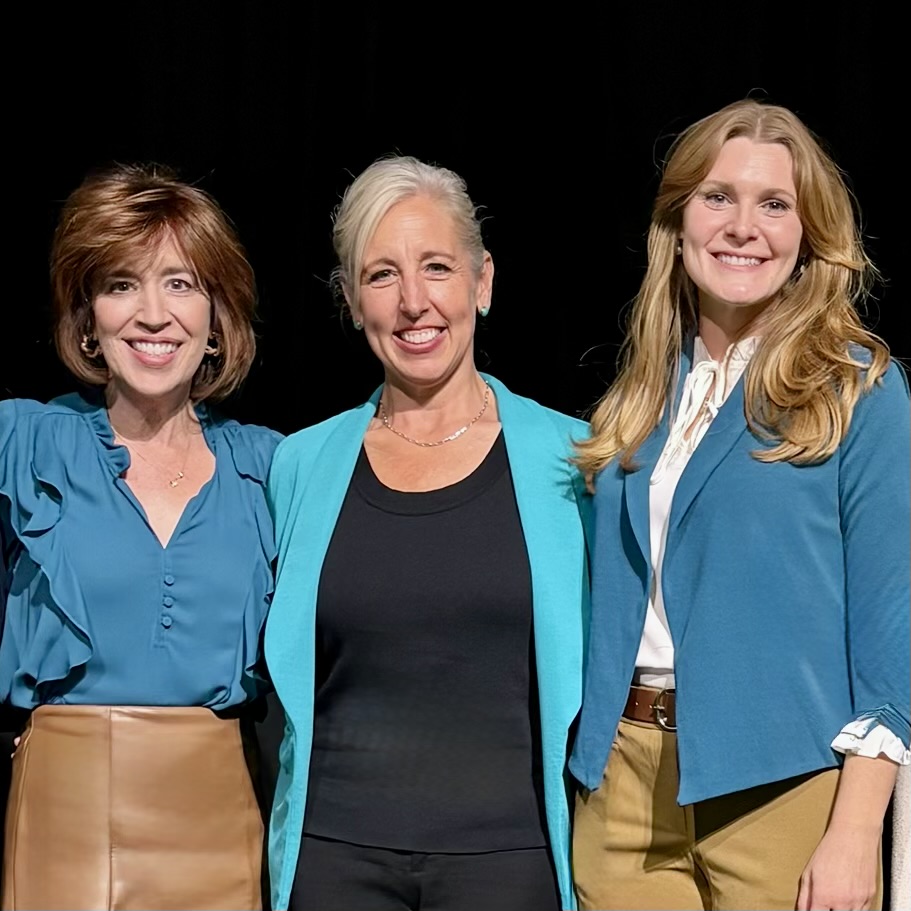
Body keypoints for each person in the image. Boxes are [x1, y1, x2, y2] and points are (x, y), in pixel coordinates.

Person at [569, 99, 910, 911]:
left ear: (806, 234)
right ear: (677, 218)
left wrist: (856, 830)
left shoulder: (856, 387)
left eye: (773, 204)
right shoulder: (639, 395)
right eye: (717, 196)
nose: (741, 226)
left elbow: (890, 636)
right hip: (623, 781)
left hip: (780, 789)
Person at [263, 156, 590, 911]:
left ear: (482, 282)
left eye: (436, 267)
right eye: (381, 275)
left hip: (511, 865)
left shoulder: (575, 459)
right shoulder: (301, 463)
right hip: (333, 864)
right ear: (349, 301)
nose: (414, 302)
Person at [0, 164, 281, 910]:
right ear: (87, 317)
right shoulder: (23, 442)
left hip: (222, 818)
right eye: (121, 284)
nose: (152, 313)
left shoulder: (274, 466)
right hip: (67, 820)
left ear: (218, 316)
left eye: (181, 284)